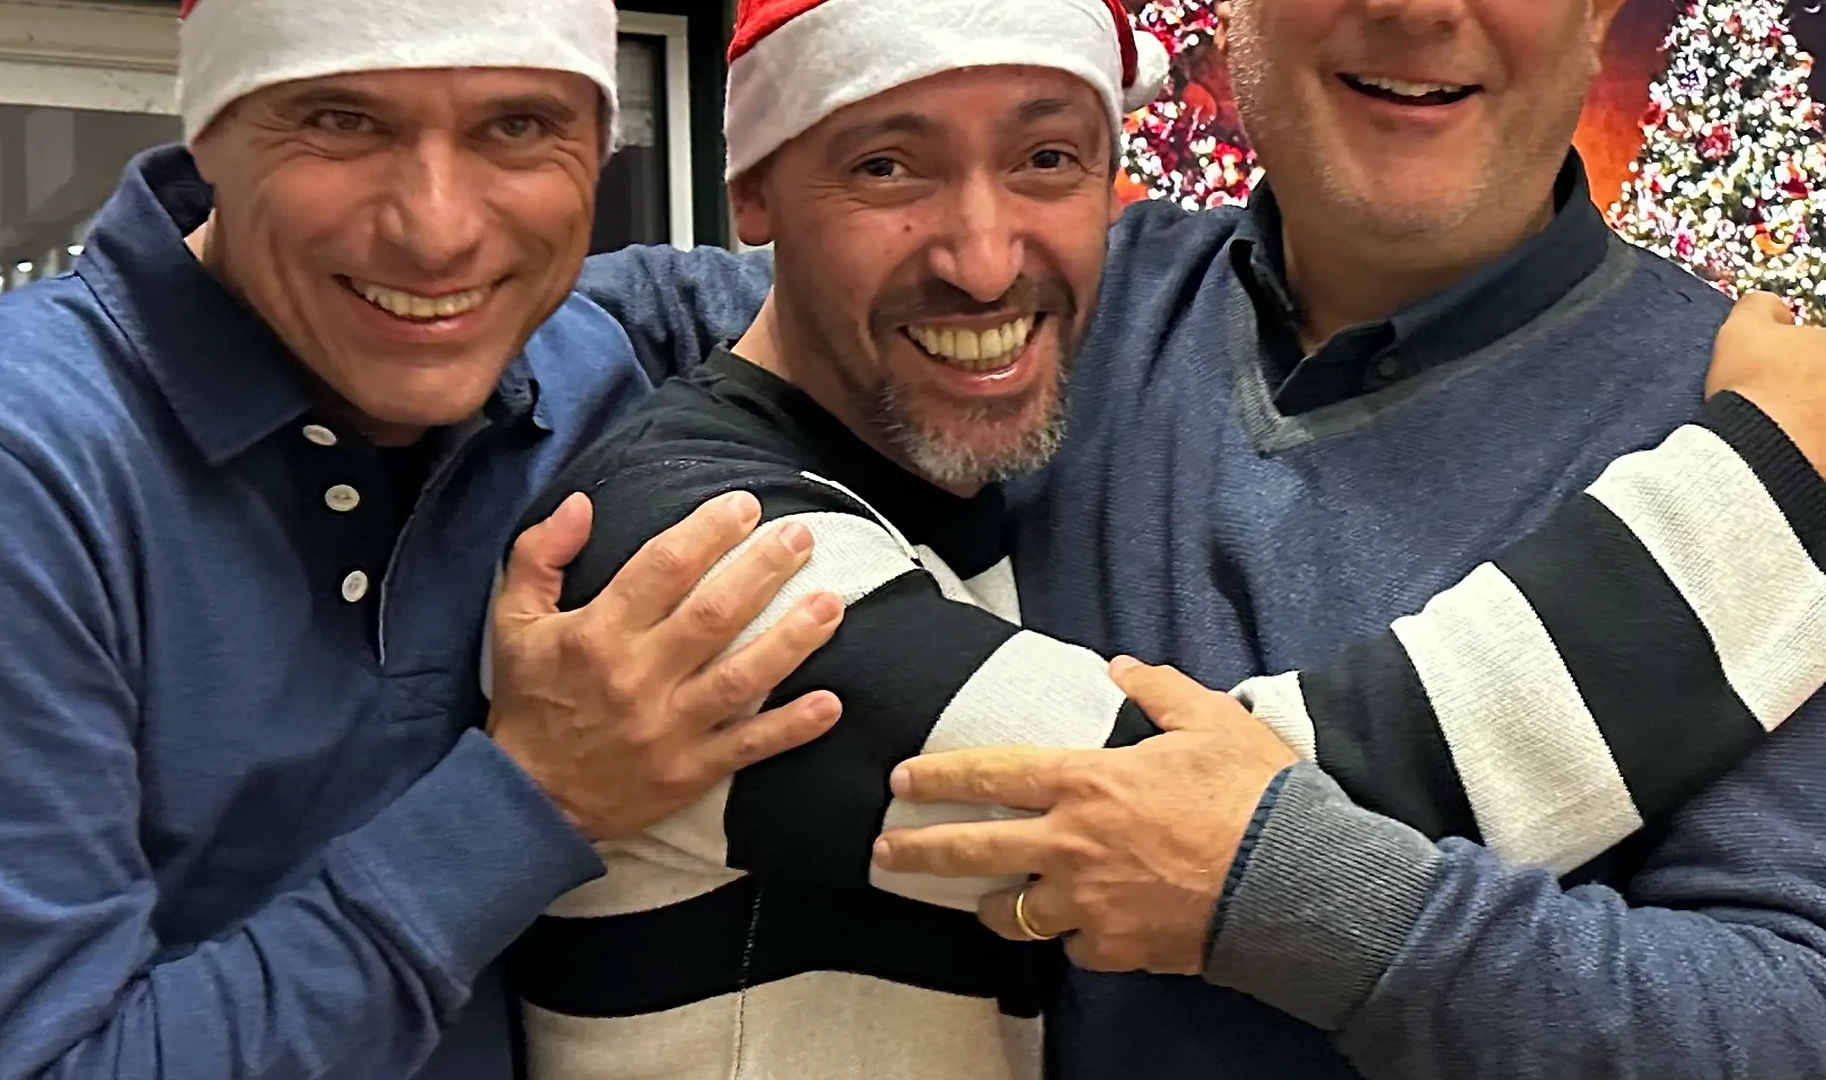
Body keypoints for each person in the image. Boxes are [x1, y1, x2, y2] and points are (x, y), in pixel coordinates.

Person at [527, 1, 1826, 1078]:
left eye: (1046, 157)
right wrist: (1759, 507)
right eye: (887, 166)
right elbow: (1161, 820)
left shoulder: (1719, 391)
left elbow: (1781, 1023)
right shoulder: (1045, 328)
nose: (981, 262)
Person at [0, 2, 849, 1077]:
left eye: (519, 127)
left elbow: (892, 291)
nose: (436, 233)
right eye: (340, 122)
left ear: (597, 146)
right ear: (206, 131)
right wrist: (533, 799)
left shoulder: (584, 361)